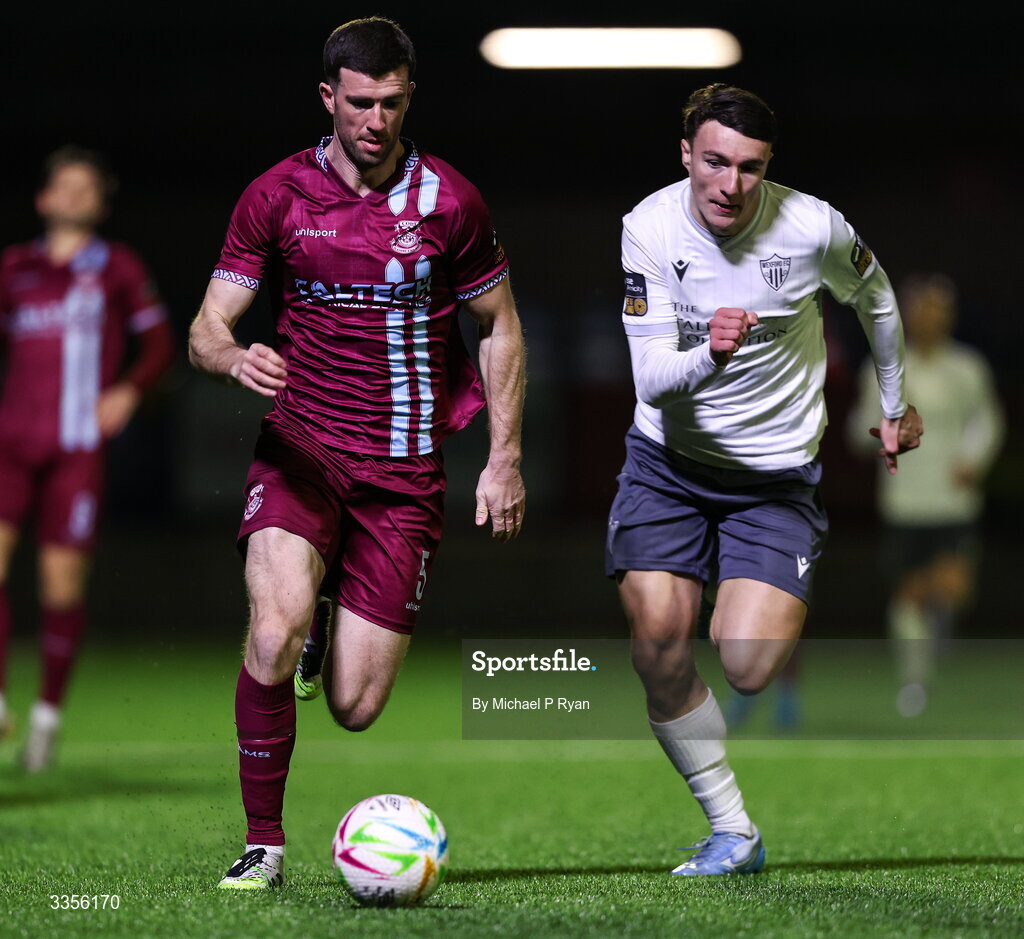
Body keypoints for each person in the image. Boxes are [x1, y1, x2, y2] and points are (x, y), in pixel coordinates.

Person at [188, 17, 526, 891]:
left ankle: (326, 610)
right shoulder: (277, 195)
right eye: (361, 103)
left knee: (356, 706)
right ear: (328, 97)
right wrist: (231, 356)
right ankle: (264, 843)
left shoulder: (450, 202)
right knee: (270, 629)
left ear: (411, 95)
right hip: (298, 451)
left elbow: (499, 325)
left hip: (404, 474)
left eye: (393, 103)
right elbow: (206, 329)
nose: (377, 121)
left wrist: (505, 456)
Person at [605, 83, 923, 875]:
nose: (729, 184)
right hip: (667, 470)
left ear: (767, 167)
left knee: (744, 663)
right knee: (658, 646)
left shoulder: (813, 226)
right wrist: (709, 352)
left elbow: (877, 297)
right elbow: (649, 379)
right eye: (713, 161)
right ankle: (733, 829)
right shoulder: (648, 229)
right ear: (687, 155)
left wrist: (895, 404)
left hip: (775, 480)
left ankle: (760, 583)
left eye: (749, 167)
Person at [0, 146, 174, 770]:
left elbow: (157, 344)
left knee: (59, 587)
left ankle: (45, 718)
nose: (73, 196)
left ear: (100, 204)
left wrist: (128, 390)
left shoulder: (116, 268)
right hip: (11, 446)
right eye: (62, 186)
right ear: (43, 199)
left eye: (86, 188)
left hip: (76, 452)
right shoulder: (15, 268)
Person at [847, 273, 1004, 717]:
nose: (929, 318)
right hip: (906, 501)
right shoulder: (884, 367)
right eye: (920, 309)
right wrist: (880, 432)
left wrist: (973, 459)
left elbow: (987, 421)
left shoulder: (968, 368)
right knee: (909, 595)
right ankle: (914, 681)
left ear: (949, 316)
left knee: (952, 588)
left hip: (954, 499)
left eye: (938, 309)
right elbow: (859, 427)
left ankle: (942, 622)